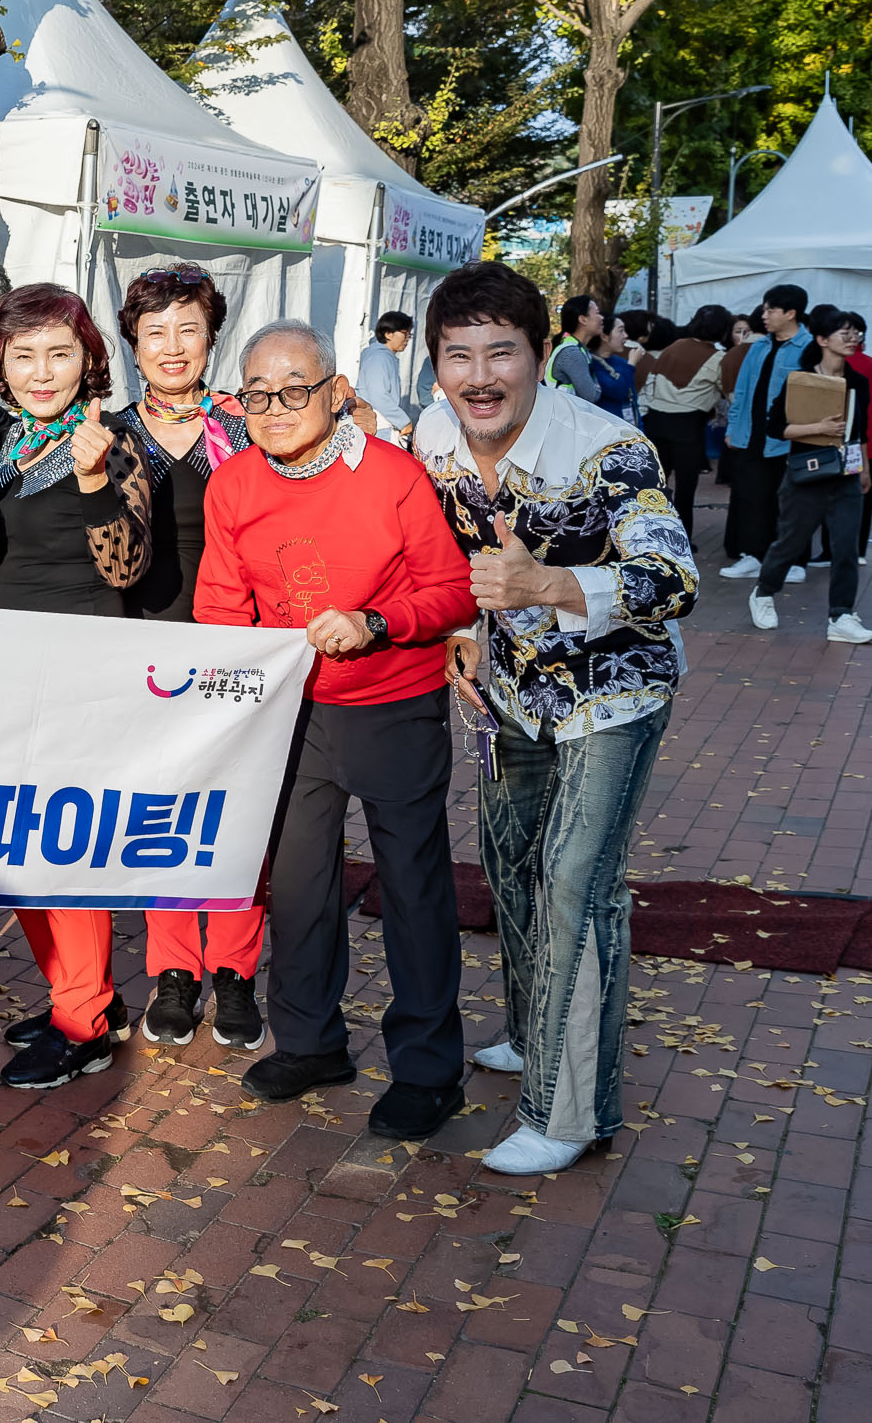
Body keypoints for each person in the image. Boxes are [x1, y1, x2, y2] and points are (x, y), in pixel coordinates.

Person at [417, 262, 698, 1174]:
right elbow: (442, 556)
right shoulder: (434, 439)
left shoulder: (609, 449)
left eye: (503, 350)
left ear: (544, 355)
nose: (481, 373)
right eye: (459, 355)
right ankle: (537, 1034)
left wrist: (550, 583)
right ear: (436, 368)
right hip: (509, 692)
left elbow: (675, 579)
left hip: (613, 693)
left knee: (577, 881)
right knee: (511, 868)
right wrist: (461, 626)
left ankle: (570, 1113)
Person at [196, 319, 478, 1141]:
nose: (275, 407)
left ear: (334, 391)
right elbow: (220, 602)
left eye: (293, 389)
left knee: (412, 887)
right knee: (298, 882)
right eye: (257, 393)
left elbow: (454, 592)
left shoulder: (391, 474)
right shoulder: (234, 484)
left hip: (392, 699)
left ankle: (428, 1067)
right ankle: (312, 1042)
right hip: (291, 711)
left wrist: (376, 621)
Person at [0, 284, 153, 1091]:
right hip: (8, 661)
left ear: (88, 360)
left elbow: (127, 566)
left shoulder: (112, 440)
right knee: (23, 846)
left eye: (59, 352)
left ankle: (82, 1020)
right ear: (0, 364)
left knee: (65, 844)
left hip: (83, 664)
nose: (42, 371)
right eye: (24, 354)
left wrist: (90, 482)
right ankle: (85, 998)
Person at [107, 266, 266, 1053]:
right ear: (132, 342)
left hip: (239, 642)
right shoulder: (104, 432)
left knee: (241, 810)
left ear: (212, 338)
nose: (173, 347)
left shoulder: (247, 427)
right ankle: (173, 968)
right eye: (155, 331)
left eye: (188, 329)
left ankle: (235, 969)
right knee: (162, 810)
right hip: (145, 644)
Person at [747, 305, 872, 642]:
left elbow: (858, 432)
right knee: (791, 543)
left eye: (857, 333)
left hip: (846, 474)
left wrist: (864, 469)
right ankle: (763, 593)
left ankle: (841, 616)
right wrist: (818, 427)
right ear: (821, 339)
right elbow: (774, 427)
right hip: (806, 475)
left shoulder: (858, 381)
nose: (853, 339)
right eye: (844, 333)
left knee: (846, 548)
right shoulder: (800, 380)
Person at [720, 284, 812, 578]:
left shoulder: (809, 348)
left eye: (771, 309)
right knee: (752, 499)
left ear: (790, 313)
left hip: (790, 441)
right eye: (765, 308)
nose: (765, 314)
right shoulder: (758, 347)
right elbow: (742, 392)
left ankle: (795, 561)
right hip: (750, 438)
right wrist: (733, 429)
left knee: (790, 503)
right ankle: (753, 556)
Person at [635, 303, 731, 537]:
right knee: (686, 488)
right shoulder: (718, 358)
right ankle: (683, 539)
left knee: (656, 485)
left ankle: (648, 533)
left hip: (656, 422)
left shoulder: (674, 346)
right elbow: (727, 393)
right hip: (688, 426)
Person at [355, 310, 416, 438]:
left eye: (409, 334)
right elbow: (378, 395)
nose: (407, 339)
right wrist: (403, 422)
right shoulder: (379, 357)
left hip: (377, 423)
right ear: (388, 334)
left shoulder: (384, 356)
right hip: (377, 425)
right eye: (404, 333)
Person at [545, 295, 605, 402]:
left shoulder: (575, 347)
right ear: (583, 319)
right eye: (597, 313)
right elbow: (591, 396)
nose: (602, 317)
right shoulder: (572, 353)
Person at [589, 317, 641, 423]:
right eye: (621, 331)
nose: (626, 336)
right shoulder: (592, 364)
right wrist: (631, 365)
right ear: (604, 336)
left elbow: (632, 399)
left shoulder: (620, 362)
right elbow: (619, 391)